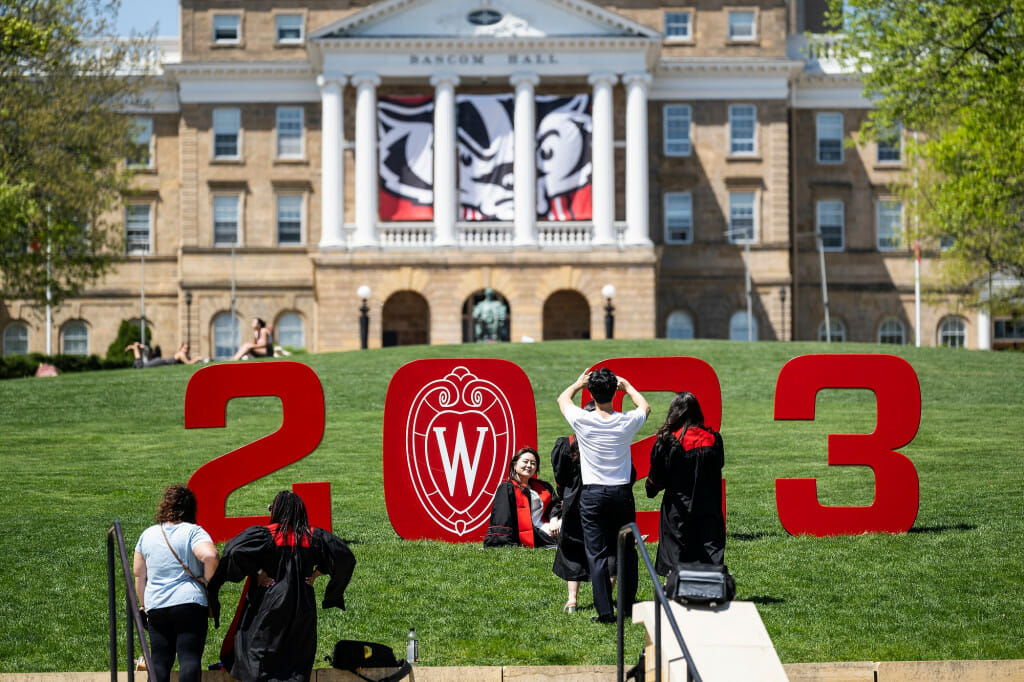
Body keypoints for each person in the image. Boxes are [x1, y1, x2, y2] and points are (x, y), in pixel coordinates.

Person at [207, 490, 356, 682]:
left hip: (269, 601)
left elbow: (233, 550)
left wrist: (258, 571)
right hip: (302, 604)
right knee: (297, 655)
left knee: (260, 653)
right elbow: (345, 558)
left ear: (276, 511)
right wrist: (318, 574)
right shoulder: (313, 536)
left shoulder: (267, 535)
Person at [557, 368, 650, 623]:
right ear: (613, 392)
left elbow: (562, 399)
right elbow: (645, 407)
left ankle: (605, 611)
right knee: (627, 551)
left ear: (592, 393)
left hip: (593, 494)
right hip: (621, 492)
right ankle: (628, 606)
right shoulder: (625, 422)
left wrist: (577, 384)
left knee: (596, 554)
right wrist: (628, 386)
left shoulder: (582, 420)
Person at [133, 485, 219, 682]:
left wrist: (144, 605)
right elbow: (211, 555)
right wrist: (206, 581)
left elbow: (139, 575)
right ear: (191, 508)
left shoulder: (147, 535)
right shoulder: (193, 531)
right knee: (189, 659)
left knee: (159, 662)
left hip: (156, 605)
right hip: (190, 603)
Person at [645, 391, 726, 575]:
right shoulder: (713, 439)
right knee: (709, 552)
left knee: (676, 557)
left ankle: (675, 595)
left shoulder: (668, 441)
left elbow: (657, 478)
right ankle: (710, 594)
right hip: (709, 505)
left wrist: (651, 488)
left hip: (678, 508)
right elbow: (719, 465)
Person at [549, 401, 596, 614]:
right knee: (605, 548)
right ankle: (602, 599)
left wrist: (564, 496)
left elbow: (560, 477)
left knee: (571, 548)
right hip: (599, 496)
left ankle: (572, 600)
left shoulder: (566, 444)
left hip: (573, 499)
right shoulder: (607, 441)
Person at [483, 447, 562, 548]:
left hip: (550, 525)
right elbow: (503, 516)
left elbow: (555, 504)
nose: (529, 465)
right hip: (532, 531)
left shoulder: (544, 487)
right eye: (525, 461)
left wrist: (554, 520)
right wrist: (500, 540)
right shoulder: (507, 488)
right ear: (515, 465)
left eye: (533, 463)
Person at [126, 341, 203, 368]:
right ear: (181, 348)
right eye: (184, 348)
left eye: (187, 348)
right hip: (161, 362)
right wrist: (197, 359)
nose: (186, 350)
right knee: (142, 367)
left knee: (141, 366)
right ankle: (135, 348)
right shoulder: (181, 354)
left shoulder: (182, 354)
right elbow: (188, 363)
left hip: (161, 361)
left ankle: (135, 348)